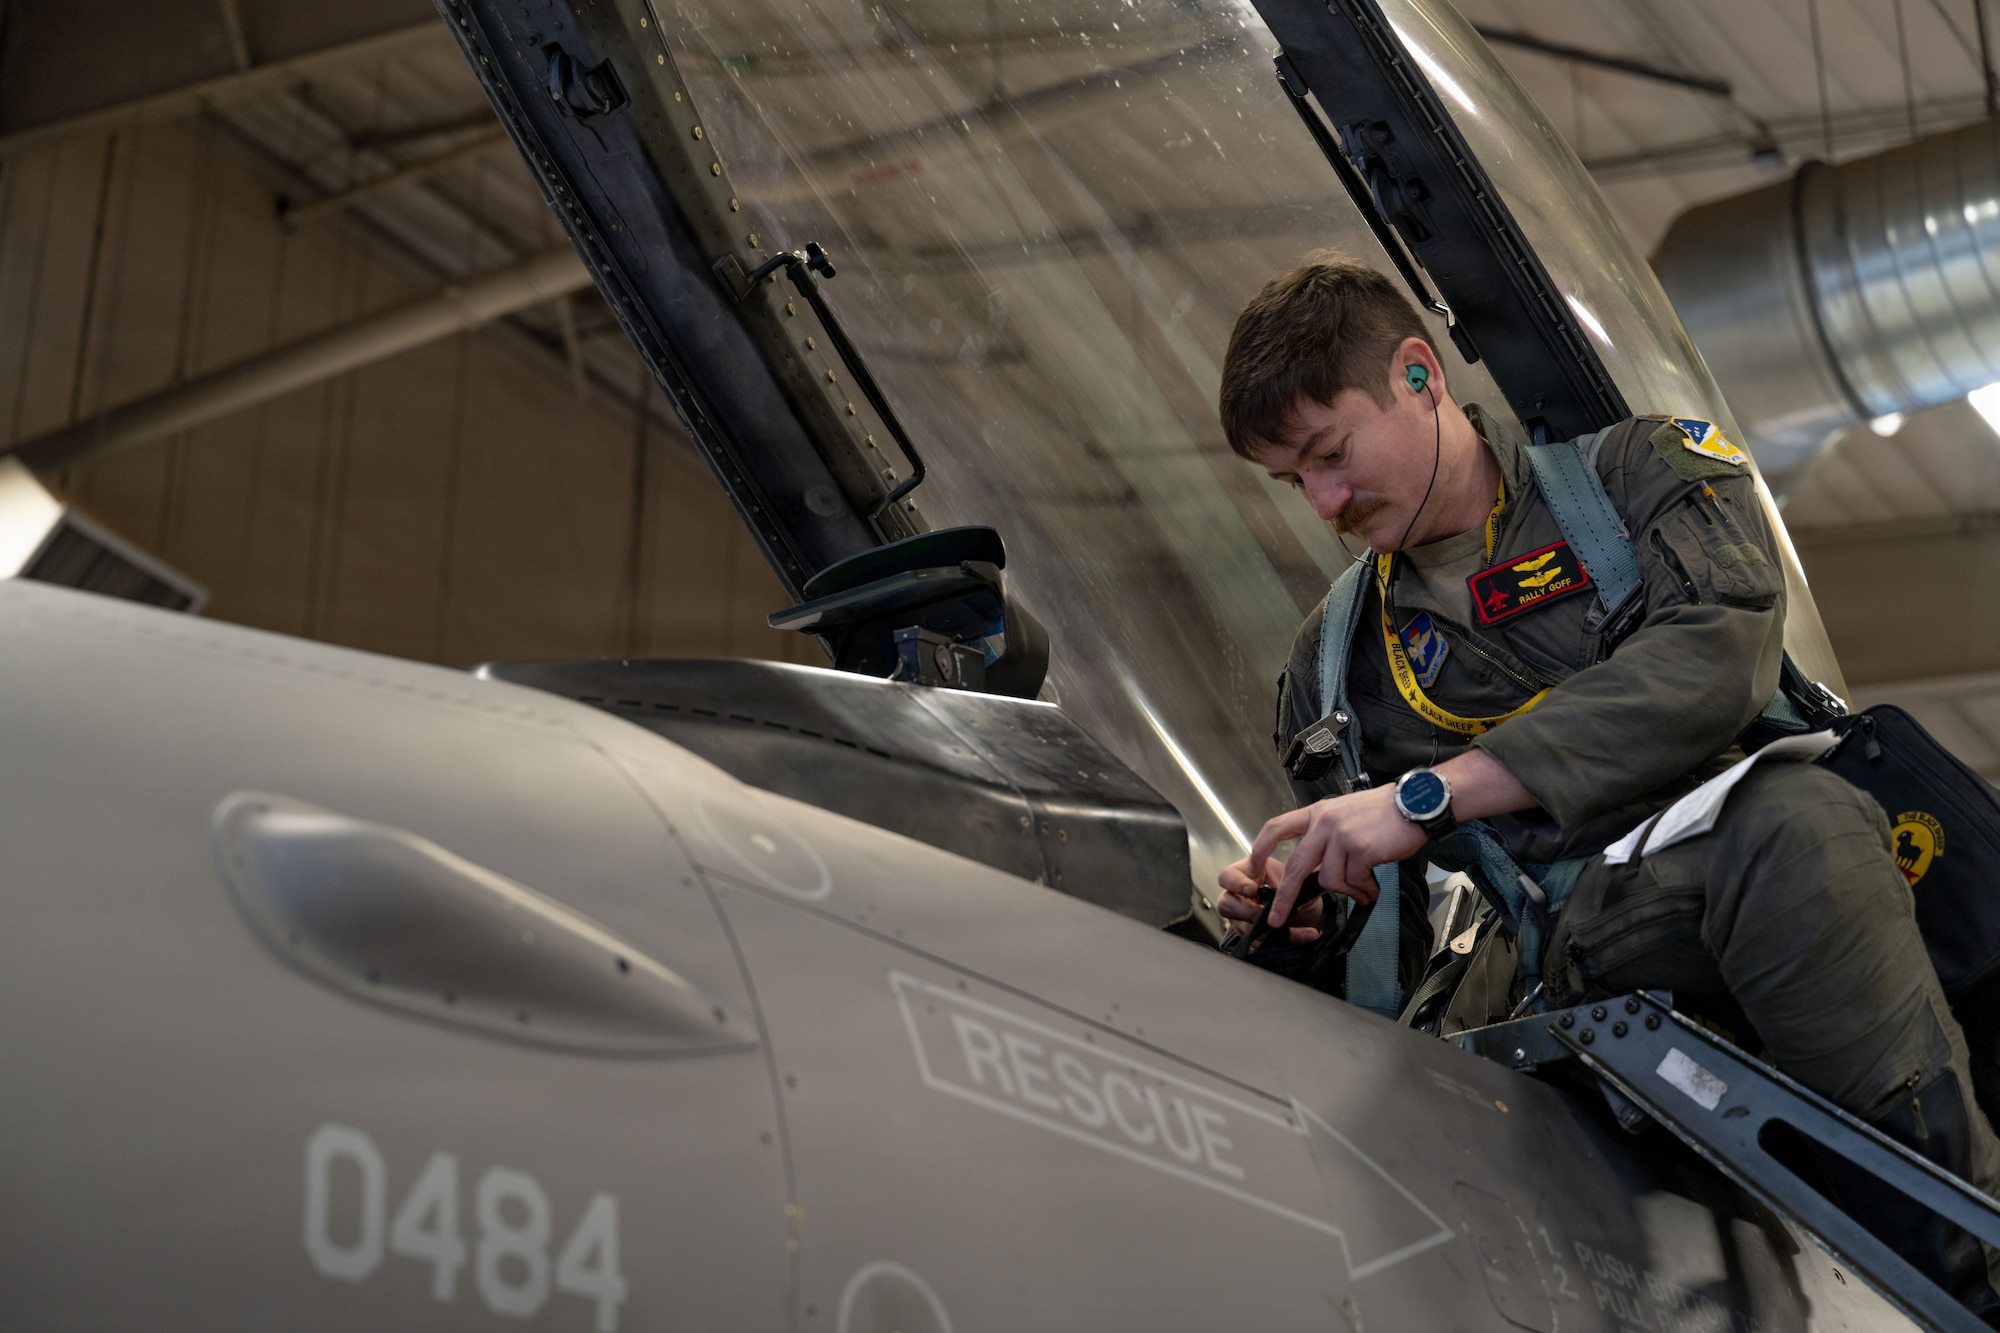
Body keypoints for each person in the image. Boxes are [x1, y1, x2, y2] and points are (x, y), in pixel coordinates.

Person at [1213, 254, 2000, 1316]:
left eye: (1329, 454)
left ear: (1417, 374)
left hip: (1788, 872)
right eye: (1291, 483)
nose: (1323, 502)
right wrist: (1297, 928)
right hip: (1583, 940)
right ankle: (1967, 1279)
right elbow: (1379, 970)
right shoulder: (1336, 669)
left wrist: (1426, 796)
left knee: (1792, 825)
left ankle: (1953, 1256)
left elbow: (1714, 657)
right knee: (1790, 831)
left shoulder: (1645, 477)